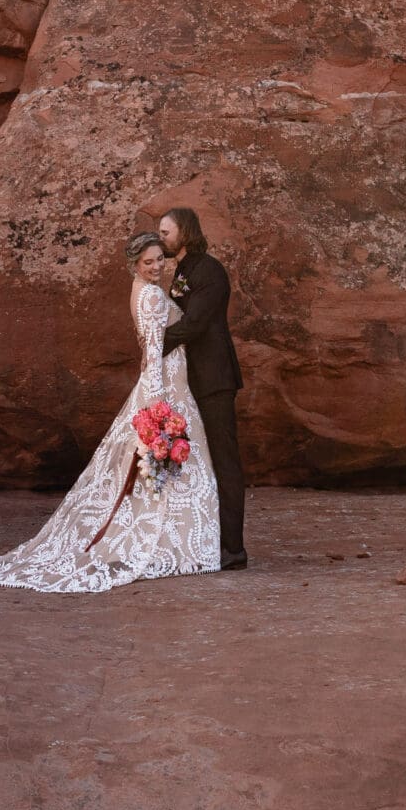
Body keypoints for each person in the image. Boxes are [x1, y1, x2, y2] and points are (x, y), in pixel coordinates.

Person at [0, 233, 221, 591]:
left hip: (163, 380)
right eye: (149, 262)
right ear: (135, 265)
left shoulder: (138, 289)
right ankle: (172, 547)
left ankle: (169, 541)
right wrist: (158, 406)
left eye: (161, 259)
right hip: (166, 383)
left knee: (152, 466)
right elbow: (156, 348)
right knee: (165, 460)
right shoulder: (154, 296)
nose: (157, 266)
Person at [155, 207, 247, 570]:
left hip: (214, 379)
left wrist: (153, 343)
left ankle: (234, 550)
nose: (160, 237)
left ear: (185, 231)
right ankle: (204, 541)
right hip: (191, 380)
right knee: (196, 461)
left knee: (225, 462)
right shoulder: (184, 270)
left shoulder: (208, 270)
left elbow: (194, 324)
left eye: (165, 232)